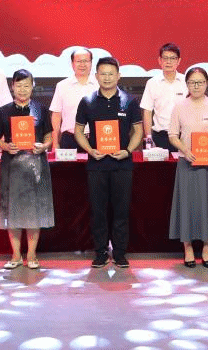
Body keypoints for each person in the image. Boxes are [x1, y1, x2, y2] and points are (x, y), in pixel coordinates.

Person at [75, 56, 143, 269]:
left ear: (118, 76)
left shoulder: (129, 101)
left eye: (111, 74)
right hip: (96, 165)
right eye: (103, 73)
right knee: (98, 211)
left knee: (121, 211)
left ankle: (120, 253)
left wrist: (128, 151)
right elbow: (78, 130)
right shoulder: (87, 101)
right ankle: (101, 252)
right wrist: (89, 150)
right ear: (96, 76)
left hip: (122, 165)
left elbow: (138, 131)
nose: (107, 77)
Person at [167, 66, 208, 268]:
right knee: (187, 205)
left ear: (207, 84)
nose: (196, 86)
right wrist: (185, 150)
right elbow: (172, 135)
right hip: (187, 163)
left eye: (200, 82)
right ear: (186, 84)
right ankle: (187, 248)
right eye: (192, 82)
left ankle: (206, 249)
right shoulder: (179, 106)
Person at [0, 69, 55, 270]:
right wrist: (4, 146)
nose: (23, 89)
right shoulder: (4, 111)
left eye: (27, 85)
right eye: (19, 85)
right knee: (13, 210)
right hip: (12, 166)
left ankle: (32, 255)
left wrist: (44, 146)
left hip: (36, 165)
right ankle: (16, 255)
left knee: (34, 210)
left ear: (32, 86)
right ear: (12, 87)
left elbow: (49, 136)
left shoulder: (40, 109)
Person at [49, 48, 98, 150]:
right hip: (70, 139)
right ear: (72, 64)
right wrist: (55, 143)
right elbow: (56, 116)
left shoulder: (100, 84)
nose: (82, 64)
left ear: (91, 63)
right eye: (79, 61)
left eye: (86, 61)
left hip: (96, 138)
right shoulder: (62, 86)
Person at [141, 42, 188, 148]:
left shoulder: (186, 81)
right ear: (160, 60)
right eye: (165, 58)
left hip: (183, 136)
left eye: (172, 58)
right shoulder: (152, 83)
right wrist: (148, 138)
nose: (168, 62)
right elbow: (147, 111)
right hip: (160, 136)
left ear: (179, 61)